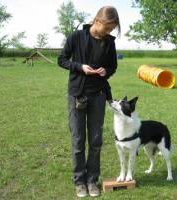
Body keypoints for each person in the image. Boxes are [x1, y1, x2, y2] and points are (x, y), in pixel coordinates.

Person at [57, 6, 121, 198]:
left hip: (98, 94)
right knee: (78, 140)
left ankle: (92, 180)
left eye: (111, 30)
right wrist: (79, 66)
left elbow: (112, 67)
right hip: (77, 94)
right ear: (96, 21)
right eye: (106, 28)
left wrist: (105, 71)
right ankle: (79, 181)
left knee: (95, 140)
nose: (108, 33)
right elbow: (62, 60)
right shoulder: (76, 36)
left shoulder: (109, 42)